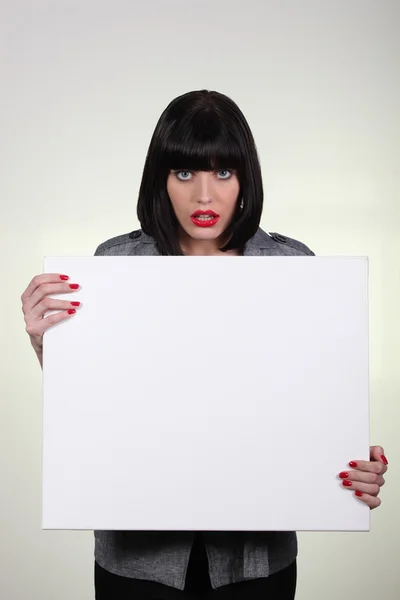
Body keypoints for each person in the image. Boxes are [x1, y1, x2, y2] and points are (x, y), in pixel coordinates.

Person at [21, 90, 388, 600]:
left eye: (223, 173)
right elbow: (97, 404)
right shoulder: (113, 266)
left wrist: (348, 467)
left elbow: (311, 405)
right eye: (185, 173)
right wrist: (47, 343)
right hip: (137, 560)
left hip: (255, 562)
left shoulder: (294, 269)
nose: (204, 197)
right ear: (161, 179)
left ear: (245, 179)